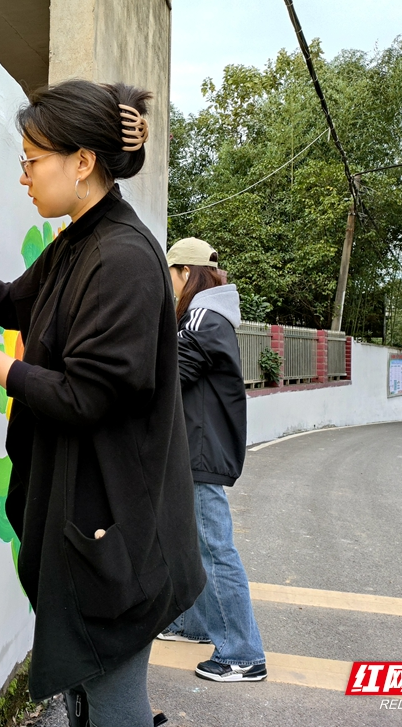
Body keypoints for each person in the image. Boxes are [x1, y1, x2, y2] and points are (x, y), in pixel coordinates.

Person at [0, 80, 205, 727]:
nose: (24, 178)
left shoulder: (121, 256)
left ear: (82, 162)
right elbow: (16, 302)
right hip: (88, 518)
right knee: (88, 698)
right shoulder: (80, 239)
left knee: (112, 703)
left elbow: (85, 396)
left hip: (118, 532)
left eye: (32, 161)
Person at [156, 237, 267, 683]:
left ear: (186, 273)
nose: (168, 283)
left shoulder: (202, 315)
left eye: (170, 274)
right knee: (195, 544)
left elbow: (172, 373)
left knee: (216, 549)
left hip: (199, 450)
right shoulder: (209, 313)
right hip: (197, 447)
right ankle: (194, 623)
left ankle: (243, 653)